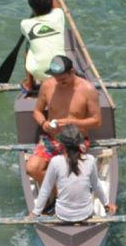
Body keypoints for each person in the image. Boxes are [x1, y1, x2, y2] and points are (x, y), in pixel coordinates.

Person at [26, 53, 102, 186]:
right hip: (51, 139)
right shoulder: (47, 85)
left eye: (63, 79)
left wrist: (72, 122)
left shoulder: (88, 89)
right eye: (56, 79)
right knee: (32, 168)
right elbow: (37, 112)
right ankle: (57, 194)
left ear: (72, 71)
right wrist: (44, 123)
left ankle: (63, 192)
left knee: (74, 179)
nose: (59, 82)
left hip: (76, 141)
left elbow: (97, 121)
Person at [32, 126, 115, 222]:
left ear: (60, 144)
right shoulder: (90, 159)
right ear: (80, 143)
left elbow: (46, 189)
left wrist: (35, 213)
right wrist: (106, 205)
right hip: (85, 214)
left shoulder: (55, 161)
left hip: (63, 215)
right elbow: (96, 186)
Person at [20, 0, 66, 93]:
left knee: (28, 49)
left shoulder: (25, 24)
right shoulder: (58, 16)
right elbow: (56, 6)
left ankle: (30, 84)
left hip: (38, 73)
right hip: (61, 70)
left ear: (32, 8)